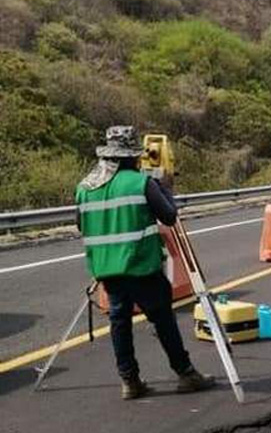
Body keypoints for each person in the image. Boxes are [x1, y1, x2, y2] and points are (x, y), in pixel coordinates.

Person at [75, 126, 215, 400]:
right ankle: (185, 373)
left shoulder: (85, 188)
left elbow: (82, 225)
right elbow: (169, 216)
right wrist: (165, 187)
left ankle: (130, 381)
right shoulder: (141, 183)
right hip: (141, 266)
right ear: (131, 157)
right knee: (162, 318)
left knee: (119, 320)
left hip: (107, 270)